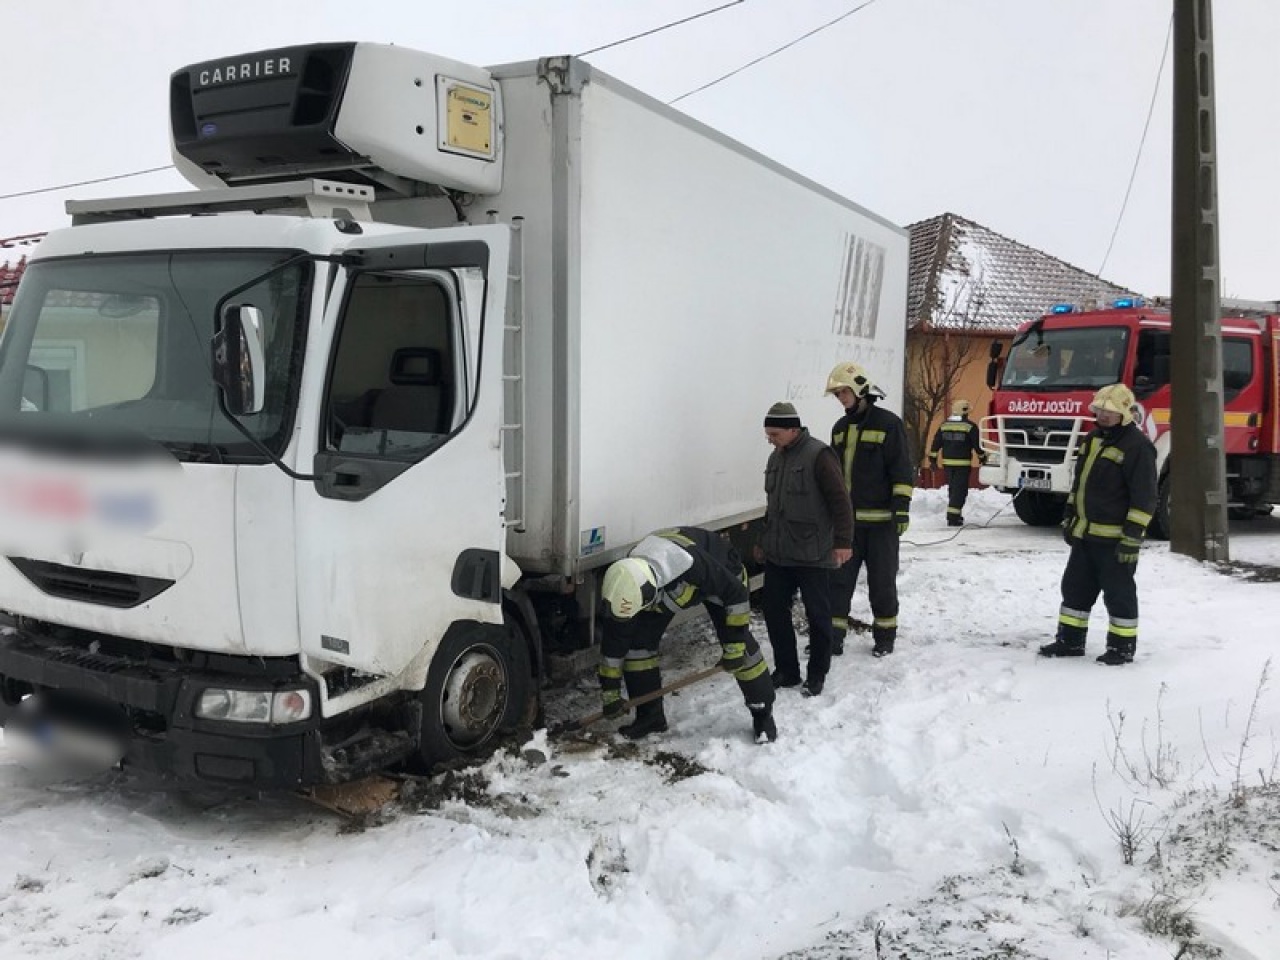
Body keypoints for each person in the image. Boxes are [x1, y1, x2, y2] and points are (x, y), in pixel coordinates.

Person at [599, 526, 778, 742]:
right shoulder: (625, 584)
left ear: (650, 593)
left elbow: (736, 594)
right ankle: (650, 717)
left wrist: (734, 646)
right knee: (638, 647)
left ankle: (762, 714)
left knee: (742, 650)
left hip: (722, 577)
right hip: (674, 588)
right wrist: (610, 692)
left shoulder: (690, 563)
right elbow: (614, 643)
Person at [1039, 384, 1157, 665]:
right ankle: (1069, 641)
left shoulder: (1137, 447)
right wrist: (1069, 515)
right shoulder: (1092, 439)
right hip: (1085, 536)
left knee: (1119, 596)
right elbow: (1079, 484)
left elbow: (1145, 497)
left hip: (1116, 541)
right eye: (1100, 409)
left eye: (1110, 411)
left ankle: (1121, 648)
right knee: (1075, 590)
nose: (1104, 415)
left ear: (1125, 414)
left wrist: (1132, 536)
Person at [759, 401, 853, 696]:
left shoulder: (819, 455)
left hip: (812, 553)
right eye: (768, 434)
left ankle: (817, 673)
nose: (770, 440)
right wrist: (763, 542)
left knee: (818, 615)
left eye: (774, 434)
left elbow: (840, 501)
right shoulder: (776, 457)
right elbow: (773, 506)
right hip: (779, 554)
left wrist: (843, 542)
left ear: (793, 429)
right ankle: (787, 670)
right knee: (774, 611)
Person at [825, 362, 914, 658]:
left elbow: (901, 469)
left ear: (860, 389)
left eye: (843, 392)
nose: (841, 398)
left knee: (882, 583)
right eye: (837, 394)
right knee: (837, 583)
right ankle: (833, 638)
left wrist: (901, 508)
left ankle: (885, 637)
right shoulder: (839, 429)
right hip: (847, 527)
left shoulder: (889, 424)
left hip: (882, 526)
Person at [929, 399, 986, 527]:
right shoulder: (970, 426)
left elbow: (936, 443)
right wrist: (983, 458)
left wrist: (932, 460)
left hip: (947, 464)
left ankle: (955, 514)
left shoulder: (944, 425)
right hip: (962, 464)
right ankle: (953, 517)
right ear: (965, 412)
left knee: (953, 489)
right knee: (960, 491)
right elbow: (978, 446)